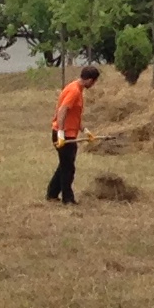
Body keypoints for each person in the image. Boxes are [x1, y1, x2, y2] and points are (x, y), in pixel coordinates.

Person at [45, 61, 100, 205]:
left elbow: (72, 115)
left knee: (64, 165)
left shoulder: (76, 88)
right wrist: (61, 134)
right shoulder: (74, 91)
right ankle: (68, 199)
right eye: (93, 82)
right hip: (64, 135)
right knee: (68, 168)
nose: (93, 85)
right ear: (89, 80)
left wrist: (84, 130)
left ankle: (51, 194)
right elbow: (62, 110)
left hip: (69, 133)